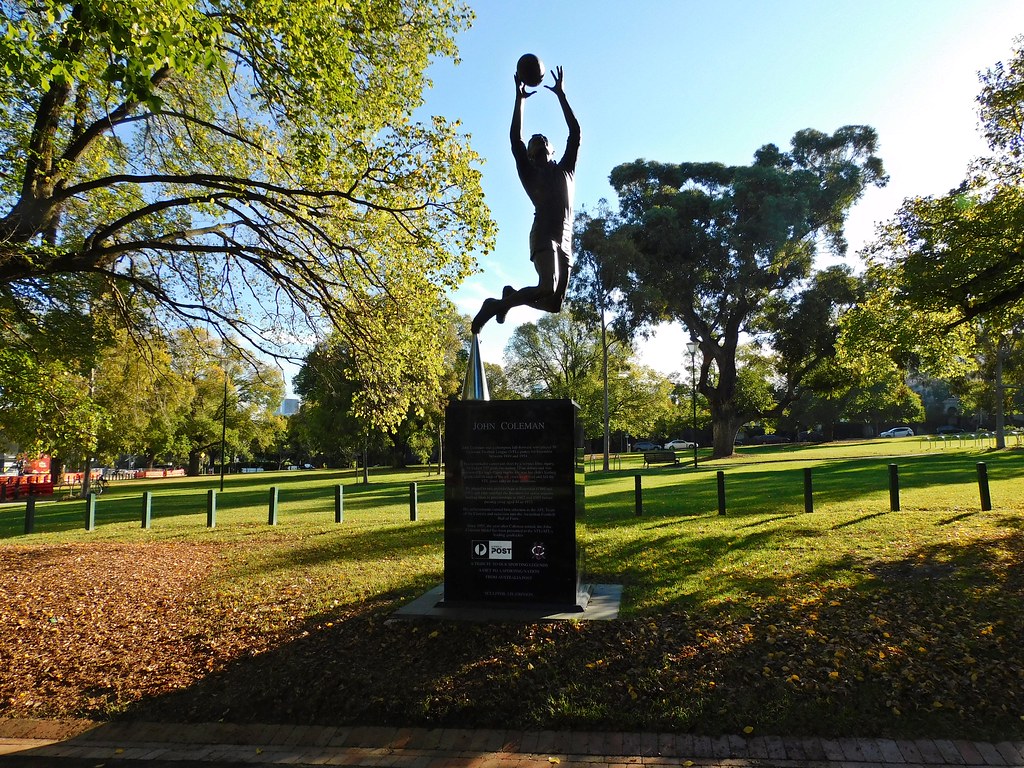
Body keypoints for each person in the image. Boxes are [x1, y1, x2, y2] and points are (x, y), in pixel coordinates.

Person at [471, 65, 580, 334]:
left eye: (543, 139)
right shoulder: (529, 173)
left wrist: (561, 95)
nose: (538, 139)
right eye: (533, 141)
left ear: (552, 149)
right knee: (545, 286)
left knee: (554, 304)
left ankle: (508, 298)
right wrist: (519, 100)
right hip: (543, 234)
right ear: (529, 154)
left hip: (566, 237)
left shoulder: (566, 169)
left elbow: (575, 133)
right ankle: (494, 305)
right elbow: (515, 139)